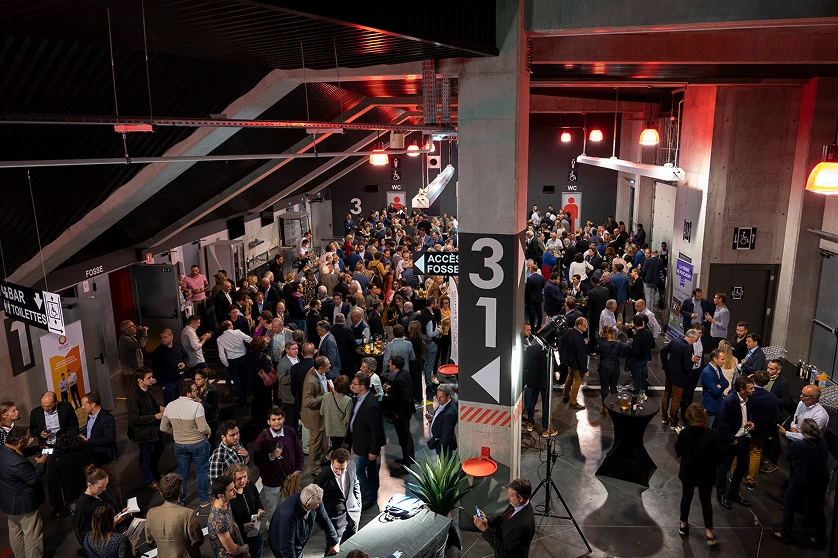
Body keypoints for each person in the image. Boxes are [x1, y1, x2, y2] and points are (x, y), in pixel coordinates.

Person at [770, 419, 829, 549]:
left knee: (789, 506)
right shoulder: (822, 442)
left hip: (801, 480)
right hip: (820, 481)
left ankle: (784, 534)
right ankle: (819, 539)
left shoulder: (799, 445)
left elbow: (789, 456)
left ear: (803, 431)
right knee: (818, 511)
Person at [674, 404, 721, 546]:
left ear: (689, 417)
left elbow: (678, 451)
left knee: (686, 497)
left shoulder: (685, 433)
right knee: (706, 501)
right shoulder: (713, 435)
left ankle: (683, 524)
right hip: (707, 473)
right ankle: (709, 532)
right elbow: (720, 458)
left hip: (689, 472)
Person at [160, 381, 212, 506]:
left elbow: (163, 427)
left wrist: (176, 433)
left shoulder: (170, 406)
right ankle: (204, 499)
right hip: (198, 443)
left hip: (180, 444)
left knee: (182, 473)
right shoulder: (197, 407)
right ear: (188, 393)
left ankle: (180, 501)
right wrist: (208, 431)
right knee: (202, 471)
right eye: (194, 391)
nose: (197, 392)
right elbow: (203, 428)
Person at [0, 426, 48, 558]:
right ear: (21, 442)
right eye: (28, 440)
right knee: (32, 535)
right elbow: (33, 479)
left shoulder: (3, 450)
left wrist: (37, 448)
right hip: (24, 504)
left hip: (8, 501)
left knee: (15, 532)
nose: (30, 441)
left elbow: (19, 452)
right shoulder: (17, 462)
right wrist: (41, 463)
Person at [254, 407, 304, 530]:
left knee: (287, 507)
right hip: (272, 482)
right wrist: (271, 456)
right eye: (274, 419)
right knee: (272, 508)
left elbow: (299, 452)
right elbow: (257, 461)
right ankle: (273, 529)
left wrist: (298, 469)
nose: (277, 422)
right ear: (268, 422)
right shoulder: (262, 438)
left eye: (279, 419)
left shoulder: (290, 432)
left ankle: (285, 529)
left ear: (284, 419)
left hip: (289, 480)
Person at [715, 376, 755, 510]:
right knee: (724, 468)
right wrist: (732, 440)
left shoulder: (749, 399)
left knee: (743, 466)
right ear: (742, 390)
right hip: (731, 441)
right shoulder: (729, 401)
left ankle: (734, 492)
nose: (753, 390)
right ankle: (720, 494)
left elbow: (748, 414)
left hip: (744, 439)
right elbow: (722, 423)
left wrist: (749, 422)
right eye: (751, 388)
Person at [269, 483, 339, 558]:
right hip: (282, 548)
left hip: (298, 543)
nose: (320, 504)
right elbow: (286, 547)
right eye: (318, 504)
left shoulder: (316, 499)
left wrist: (335, 541)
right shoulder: (288, 514)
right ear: (307, 505)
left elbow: (325, 520)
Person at [145, 473, 205, 558]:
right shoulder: (188, 514)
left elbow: (150, 541)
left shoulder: (151, 513)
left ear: (161, 493)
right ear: (181, 490)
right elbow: (197, 540)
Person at [348, 372, 385, 509]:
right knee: (371, 469)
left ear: (362, 386)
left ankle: (368, 494)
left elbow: (376, 430)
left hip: (367, 445)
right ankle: (372, 494)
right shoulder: (359, 399)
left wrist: (373, 450)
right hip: (360, 442)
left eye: (354, 383)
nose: (352, 386)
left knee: (357, 470)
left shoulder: (370, 404)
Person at [473, 478, 536, 558]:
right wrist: (486, 519)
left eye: (511, 495)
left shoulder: (524, 525)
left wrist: (485, 530)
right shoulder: (516, 504)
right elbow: (502, 519)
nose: (508, 496)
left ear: (521, 498)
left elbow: (504, 550)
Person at [126, 369, 165, 490]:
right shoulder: (133, 396)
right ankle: (148, 479)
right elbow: (134, 419)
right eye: (149, 377)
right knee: (145, 456)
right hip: (143, 432)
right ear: (140, 380)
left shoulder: (148, 390)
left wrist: (159, 407)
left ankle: (154, 471)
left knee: (160, 447)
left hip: (153, 428)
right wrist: (155, 417)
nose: (152, 379)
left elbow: (149, 405)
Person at [80, 392, 122, 506]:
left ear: (93, 404)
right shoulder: (90, 416)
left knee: (112, 481)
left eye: (84, 405)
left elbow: (109, 438)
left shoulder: (107, 418)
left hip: (105, 456)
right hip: (94, 456)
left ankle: (118, 505)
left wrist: (89, 441)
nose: (82, 407)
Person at [314, 448, 362, 544]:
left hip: (353, 513)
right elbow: (317, 504)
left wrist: (358, 503)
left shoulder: (352, 465)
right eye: (336, 468)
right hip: (335, 520)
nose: (339, 472)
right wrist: (325, 522)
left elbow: (355, 483)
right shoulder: (321, 478)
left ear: (347, 463)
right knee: (333, 549)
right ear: (332, 461)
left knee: (351, 545)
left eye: (342, 469)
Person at [47, 430, 97, 518]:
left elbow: (53, 482)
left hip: (70, 496)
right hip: (90, 490)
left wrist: (56, 503)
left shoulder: (56, 459)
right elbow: (97, 470)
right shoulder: (87, 451)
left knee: (79, 519)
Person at [73, 465, 128, 545]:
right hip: (104, 542)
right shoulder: (82, 507)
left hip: (119, 532)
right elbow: (86, 537)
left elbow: (114, 509)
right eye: (100, 487)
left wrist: (123, 513)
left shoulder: (104, 491)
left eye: (106, 485)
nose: (105, 488)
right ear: (89, 485)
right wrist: (111, 524)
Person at [744, 370, 778, 490]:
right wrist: (771, 432)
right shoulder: (772, 397)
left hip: (744, 427)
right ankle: (751, 481)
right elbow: (775, 417)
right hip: (760, 430)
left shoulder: (748, 394)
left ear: (754, 380)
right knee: (756, 453)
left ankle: (733, 475)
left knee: (739, 452)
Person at [660, 330, 700, 430]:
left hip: (670, 374)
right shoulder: (687, 348)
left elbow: (663, 351)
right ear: (691, 337)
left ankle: (664, 417)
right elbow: (687, 367)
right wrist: (692, 360)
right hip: (680, 377)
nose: (695, 341)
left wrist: (665, 365)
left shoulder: (675, 341)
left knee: (666, 394)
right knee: (676, 399)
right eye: (695, 339)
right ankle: (673, 423)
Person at [226, 463, 265, 558]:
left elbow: (257, 500)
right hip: (239, 537)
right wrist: (242, 527)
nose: (243, 481)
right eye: (239, 478)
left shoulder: (250, 485)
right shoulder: (229, 496)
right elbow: (228, 521)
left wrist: (259, 509)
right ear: (232, 479)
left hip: (253, 530)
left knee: (258, 547)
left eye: (245, 476)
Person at [761, 359, 793, 473]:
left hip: (774, 415)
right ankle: (764, 457)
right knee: (766, 437)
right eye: (768, 367)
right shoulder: (766, 378)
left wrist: (771, 398)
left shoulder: (782, 383)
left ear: (778, 371)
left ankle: (772, 462)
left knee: (774, 439)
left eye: (771, 368)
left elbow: (787, 401)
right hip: (765, 413)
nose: (768, 370)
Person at [384, 355, 414, 474]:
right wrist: (393, 389)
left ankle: (406, 466)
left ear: (394, 366)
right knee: (407, 436)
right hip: (406, 413)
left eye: (390, 363)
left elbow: (405, 398)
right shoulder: (405, 374)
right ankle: (410, 458)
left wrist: (397, 413)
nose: (389, 365)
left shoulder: (399, 379)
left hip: (401, 415)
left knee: (404, 439)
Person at [302, 356, 331, 476]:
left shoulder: (319, 373)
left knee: (324, 440)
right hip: (315, 417)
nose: (330, 365)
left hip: (322, 414)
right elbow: (307, 402)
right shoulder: (311, 381)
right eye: (328, 364)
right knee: (316, 442)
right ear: (321, 368)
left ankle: (322, 459)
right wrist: (325, 396)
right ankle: (314, 468)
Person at [208, 474, 250, 557]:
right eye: (231, 490)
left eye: (234, 487)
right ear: (220, 496)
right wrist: (244, 548)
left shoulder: (226, 503)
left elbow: (234, 525)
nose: (235, 491)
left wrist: (242, 546)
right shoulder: (218, 520)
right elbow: (233, 550)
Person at [216, 320, 253, 407]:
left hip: (232, 361)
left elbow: (221, 354)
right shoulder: (238, 332)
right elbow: (250, 340)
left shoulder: (220, 339)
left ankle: (242, 401)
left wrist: (226, 363)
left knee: (237, 381)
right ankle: (246, 395)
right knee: (245, 378)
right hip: (243, 358)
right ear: (230, 326)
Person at [596, 325, 629, 416]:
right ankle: (614, 406)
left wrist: (601, 338)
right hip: (615, 368)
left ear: (605, 333)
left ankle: (605, 407)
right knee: (614, 388)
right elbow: (621, 355)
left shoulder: (602, 343)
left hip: (604, 369)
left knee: (604, 388)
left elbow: (596, 350)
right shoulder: (618, 343)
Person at [152, 328, 190, 405]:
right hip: (168, 382)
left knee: (181, 402)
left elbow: (185, 355)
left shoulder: (177, 346)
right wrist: (162, 384)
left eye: (165, 337)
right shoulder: (158, 351)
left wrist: (183, 363)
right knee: (170, 405)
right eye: (161, 338)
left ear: (171, 337)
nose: (163, 340)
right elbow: (155, 369)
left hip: (179, 380)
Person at [524, 340, 554, 433]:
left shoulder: (529, 349)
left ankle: (530, 423)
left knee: (532, 401)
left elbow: (525, 364)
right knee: (545, 404)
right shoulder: (548, 350)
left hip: (533, 380)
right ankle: (545, 427)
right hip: (544, 381)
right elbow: (553, 366)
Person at [245, 336, 274, 431]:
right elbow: (267, 369)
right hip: (263, 384)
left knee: (255, 401)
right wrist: (269, 361)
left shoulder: (248, 355)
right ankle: (264, 422)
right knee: (265, 403)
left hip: (252, 383)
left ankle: (255, 420)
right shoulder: (263, 357)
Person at [561, 317, 588, 410]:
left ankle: (565, 396)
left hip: (569, 361)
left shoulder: (569, 331)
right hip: (576, 364)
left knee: (569, 378)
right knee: (577, 381)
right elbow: (580, 356)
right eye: (585, 326)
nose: (587, 327)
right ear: (579, 325)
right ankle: (573, 402)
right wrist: (585, 369)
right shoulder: (578, 338)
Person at [321, 375, 352, 455]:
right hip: (342, 431)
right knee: (341, 452)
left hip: (330, 429)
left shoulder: (326, 396)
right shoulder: (348, 400)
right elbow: (349, 419)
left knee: (336, 448)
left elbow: (321, 412)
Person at [699, 349, 729, 429]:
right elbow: (716, 391)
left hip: (718, 404)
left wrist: (720, 385)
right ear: (715, 359)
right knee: (708, 429)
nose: (724, 361)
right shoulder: (707, 372)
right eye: (722, 359)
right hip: (711, 406)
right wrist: (721, 386)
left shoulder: (718, 369)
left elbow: (726, 382)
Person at [192, 368, 220, 450]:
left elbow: (213, 407)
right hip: (202, 418)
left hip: (211, 420)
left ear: (206, 378)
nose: (196, 381)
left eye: (199, 379)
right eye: (195, 379)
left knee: (210, 442)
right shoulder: (197, 388)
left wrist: (200, 401)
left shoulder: (212, 390)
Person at [427, 383, 458, 455]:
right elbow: (443, 420)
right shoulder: (445, 404)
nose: (439, 399)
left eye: (442, 397)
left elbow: (446, 435)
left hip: (444, 448)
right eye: (437, 396)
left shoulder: (450, 413)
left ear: (448, 397)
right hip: (441, 444)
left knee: (445, 465)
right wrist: (434, 418)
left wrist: (439, 447)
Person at [628, 314, 655, 395]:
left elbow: (635, 351)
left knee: (637, 379)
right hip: (645, 358)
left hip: (637, 360)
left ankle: (638, 395)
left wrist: (630, 345)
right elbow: (653, 345)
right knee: (643, 378)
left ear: (634, 324)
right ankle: (643, 393)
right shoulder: (649, 332)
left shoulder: (637, 335)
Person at [118, 320, 148, 391]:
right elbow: (140, 344)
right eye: (132, 326)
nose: (135, 327)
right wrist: (144, 333)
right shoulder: (125, 339)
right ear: (126, 330)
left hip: (134, 369)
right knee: (133, 389)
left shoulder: (130, 337)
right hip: (130, 370)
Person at [420, 297, 440, 393]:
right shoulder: (429, 318)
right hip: (430, 343)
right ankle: (429, 385)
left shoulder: (424, 313)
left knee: (427, 364)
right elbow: (430, 334)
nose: (436, 305)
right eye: (435, 303)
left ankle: (428, 383)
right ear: (432, 304)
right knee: (429, 365)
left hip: (425, 341)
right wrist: (438, 331)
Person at [525, 263, 545, 330]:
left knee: (532, 313)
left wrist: (526, 300)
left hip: (532, 299)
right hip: (539, 297)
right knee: (539, 312)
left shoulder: (530, 279)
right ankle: (539, 325)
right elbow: (542, 286)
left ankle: (532, 327)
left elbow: (528, 290)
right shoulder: (542, 278)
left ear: (532, 270)